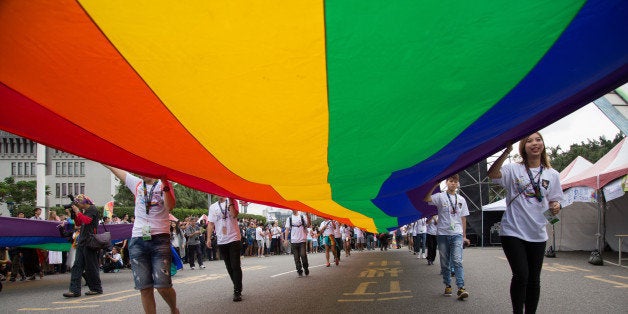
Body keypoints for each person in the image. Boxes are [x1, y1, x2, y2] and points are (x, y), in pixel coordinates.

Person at [487, 133, 563, 314]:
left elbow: (555, 200)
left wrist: (555, 206)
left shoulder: (552, 174)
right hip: (513, 231)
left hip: (538, 232)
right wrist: (507, 151)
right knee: (521, 275)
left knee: (534, 279)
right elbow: (492, 174)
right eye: (529, 140)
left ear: (543, 144)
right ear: (523, 147)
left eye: (538, 139)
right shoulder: (514, 169)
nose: (534, 143)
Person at [104, 165, 179, 314]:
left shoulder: (164, 184)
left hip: (160, 239)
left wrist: (165, 184)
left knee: (162, 286)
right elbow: (118, 170)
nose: (142, 173)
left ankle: (173, 308)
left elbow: (170, 206)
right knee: (144, 288)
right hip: (138, 240)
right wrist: (101, 158)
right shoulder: (137, 183)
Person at [424, 174, 470, 300]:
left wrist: (464, 236)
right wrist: (435, 185)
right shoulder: (440, 197)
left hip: (457, 234)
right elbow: (426, 199)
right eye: (451, 181)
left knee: (457, 260)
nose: (453, 183)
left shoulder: (461, 199)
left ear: (457, 184)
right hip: (443, 234)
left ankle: (461, 288)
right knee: (445, 263)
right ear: (446, 182)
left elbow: (463, 217)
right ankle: (448, 285)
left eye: (455, 181)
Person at [62, 194, 103, 298]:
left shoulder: (93, 209)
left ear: (84, 202)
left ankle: (96, 288)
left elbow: (87, 221)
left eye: (79, 203)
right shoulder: (84, 211)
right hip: (82, 240)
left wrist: (77, 211)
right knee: (77, 266)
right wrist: (74, 214)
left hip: (89, 241)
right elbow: (79, 222)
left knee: (91, 266)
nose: (78, 205)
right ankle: (74, 290)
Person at [206, 196, 243, 302]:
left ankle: (237, 291)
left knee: (235, 265)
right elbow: (211, 223)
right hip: (221, 240)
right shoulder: (213, 207)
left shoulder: (232, 201)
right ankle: (237, 285)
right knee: (229, 266)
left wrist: (231, 199)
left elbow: (234, 214)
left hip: (234, 238)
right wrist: (208, 238)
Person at [284, 210, 311, 277]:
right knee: (296, 257)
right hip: (294, 241)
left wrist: (308, 216)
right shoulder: (289, 218)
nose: (293, 209)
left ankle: (306, 268)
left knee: (303, 255)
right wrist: (286, 239)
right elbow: (287, 229)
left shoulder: (302, 216)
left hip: (302, 240)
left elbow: (308, 225)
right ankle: (299, 271)